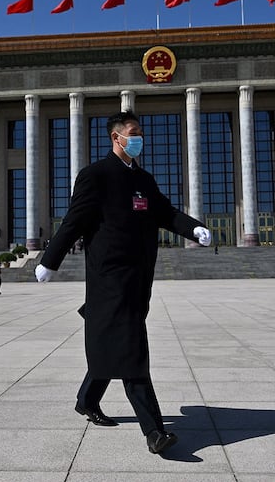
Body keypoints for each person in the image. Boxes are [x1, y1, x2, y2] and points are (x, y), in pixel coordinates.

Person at [34, 111, 212, 455]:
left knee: (112, 343)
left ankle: (87, 400)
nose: (139, 138)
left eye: (140, 133)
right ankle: (155, 432)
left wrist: (193, 228)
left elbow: (165, 212)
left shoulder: (144, 180)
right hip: (109, 279)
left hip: (138, 280)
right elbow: (74, 221)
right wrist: (49, 260)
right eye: (133, 133)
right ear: (116, 138)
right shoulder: (95, 176)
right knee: (131, 351)